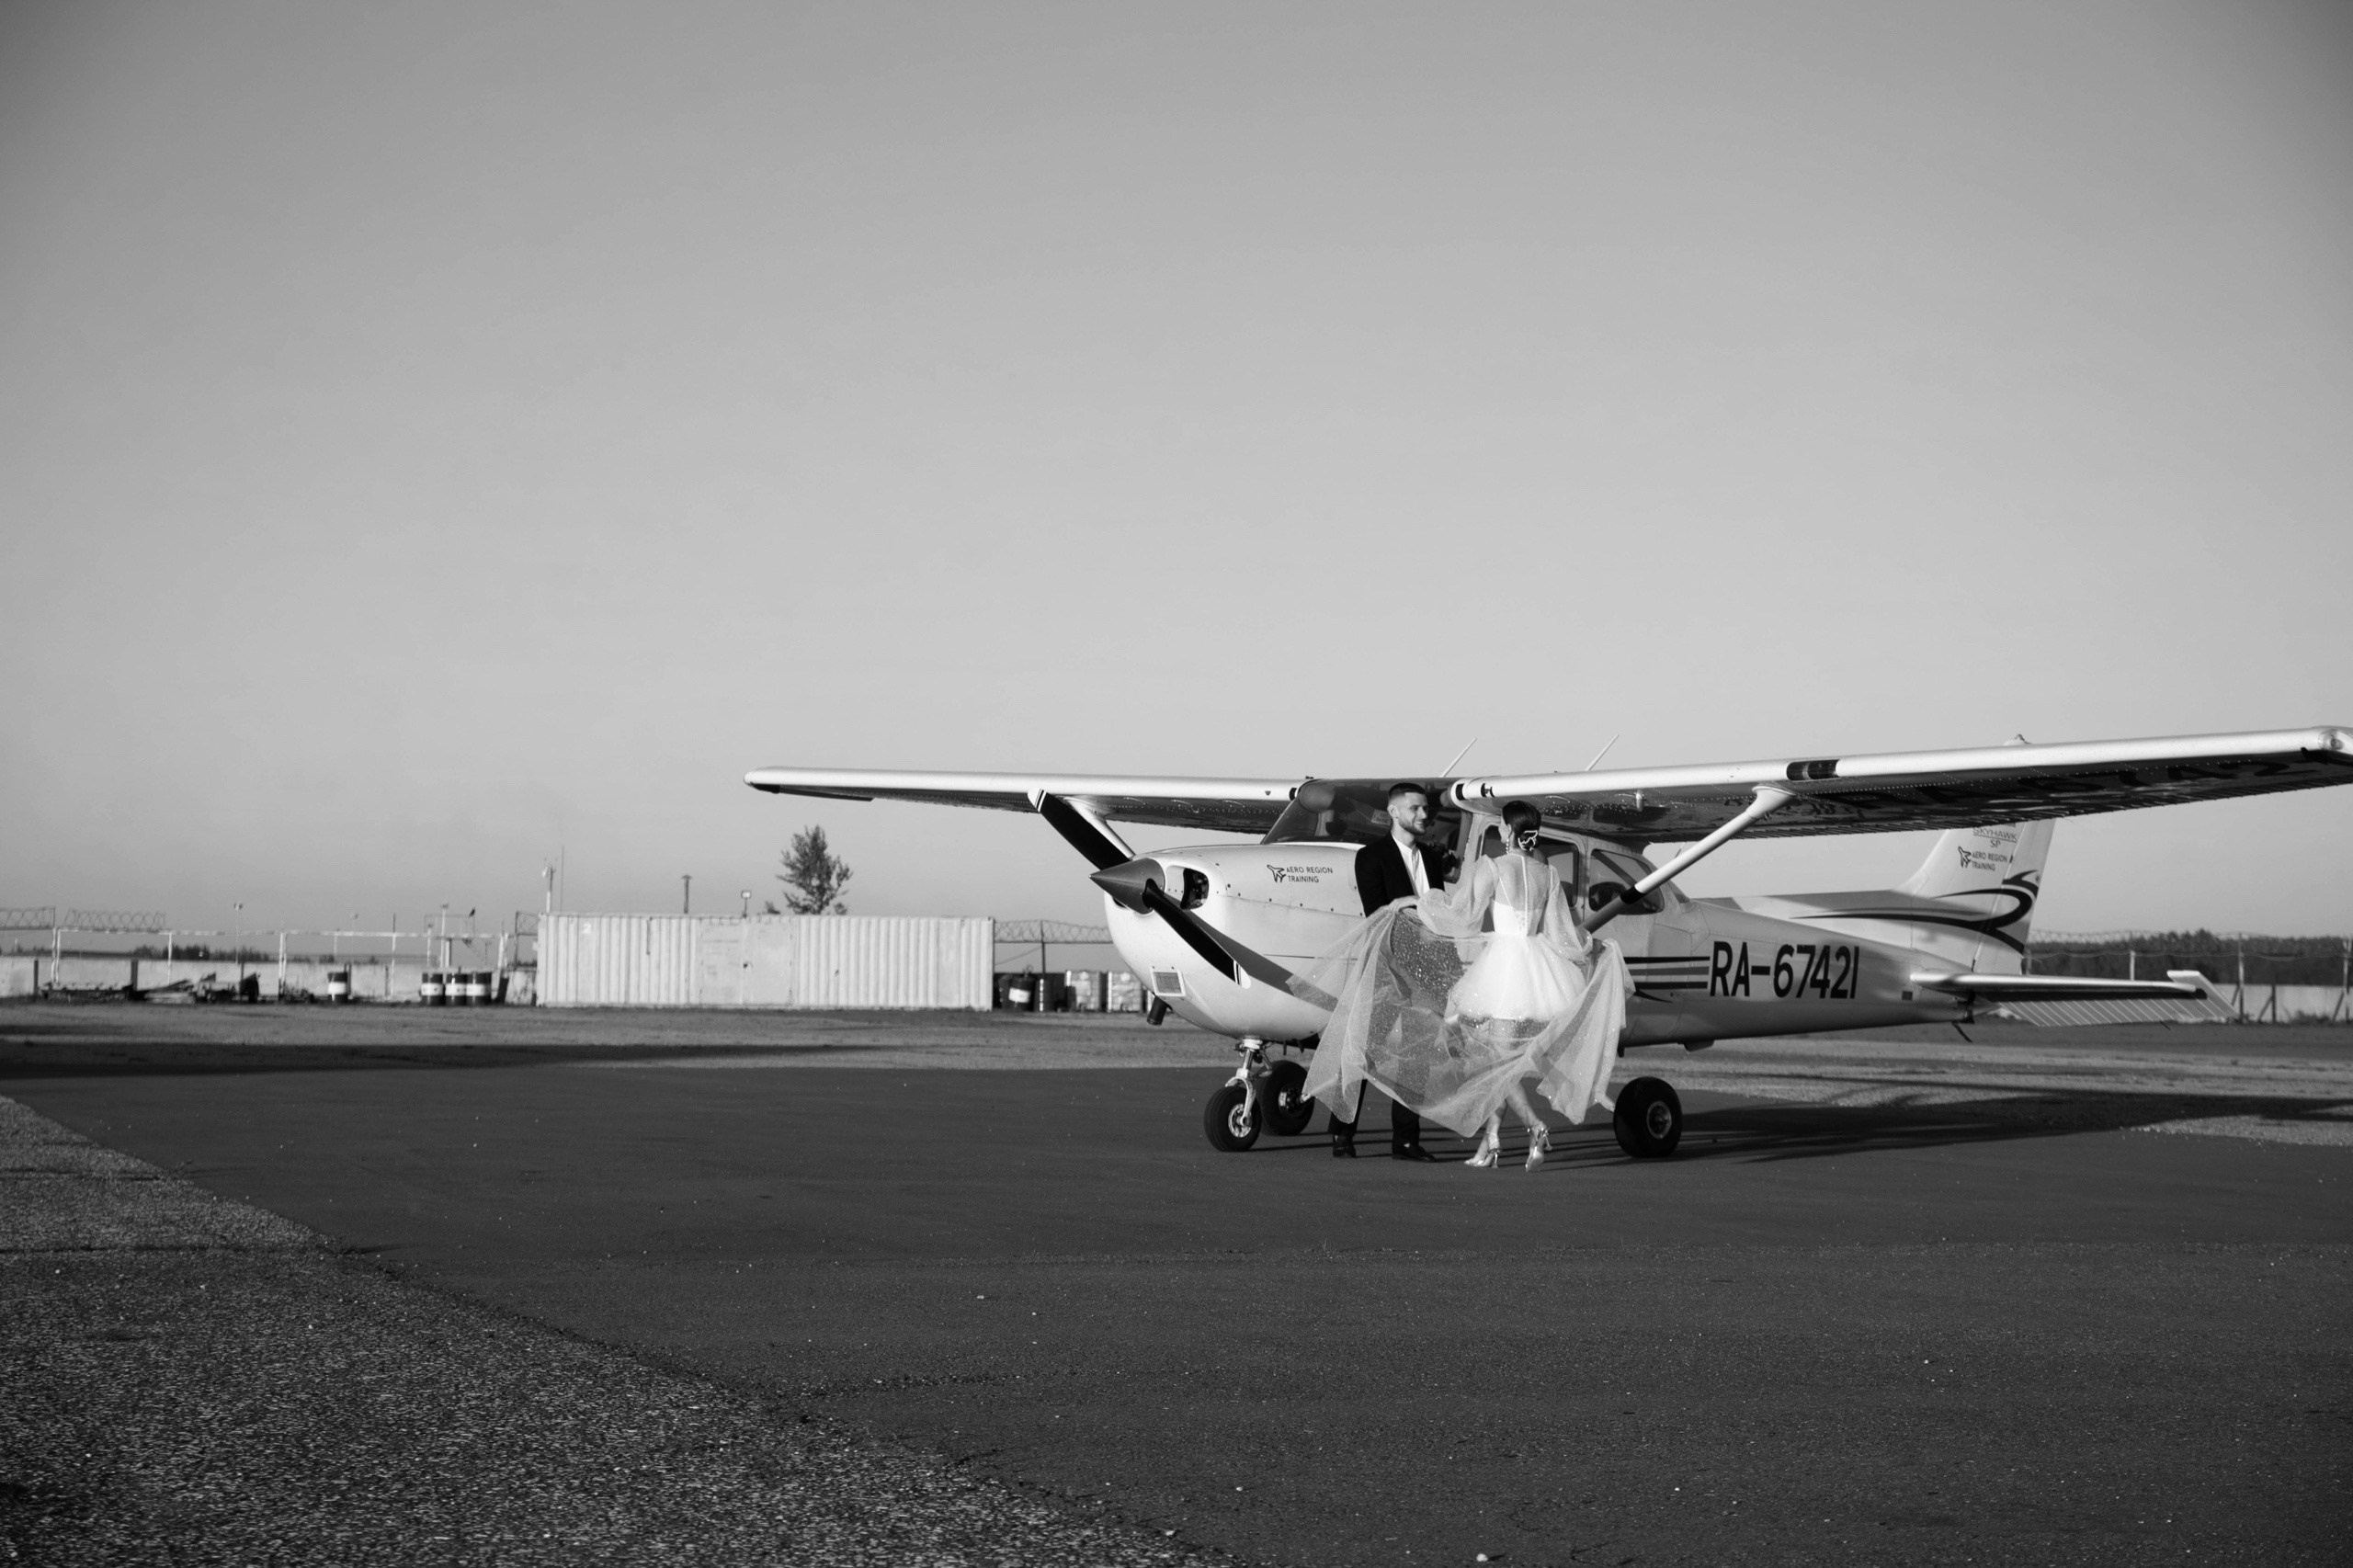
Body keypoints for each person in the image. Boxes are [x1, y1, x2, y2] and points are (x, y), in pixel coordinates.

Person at [1295, 799, 1631, 1168]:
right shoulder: (1547, 875)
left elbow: (1462, 918)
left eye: (1501, 827)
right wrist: (1592, 947)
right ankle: (1490, 1141)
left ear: (1506, 830)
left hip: (1502, 972)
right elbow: (1559, 934)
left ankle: (1534, 1127)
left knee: (1493, 1066)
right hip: (1537, 972)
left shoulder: (1492, 867)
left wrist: (1414, 903)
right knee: (1500, 1061)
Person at [1326, 780, 1449, 1160]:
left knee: (1418, 1054)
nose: (1424, 815)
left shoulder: (1430, 858)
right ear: (1394, 812)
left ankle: (1406, 1141)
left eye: (1426, 809)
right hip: (1386, 964)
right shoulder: (1370, 856)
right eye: (1416, 808)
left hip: (1427, 968)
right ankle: (1342, 1134)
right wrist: (1412, 902)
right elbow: (1377, 912)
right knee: (1363, 1050)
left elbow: (1440, 911)